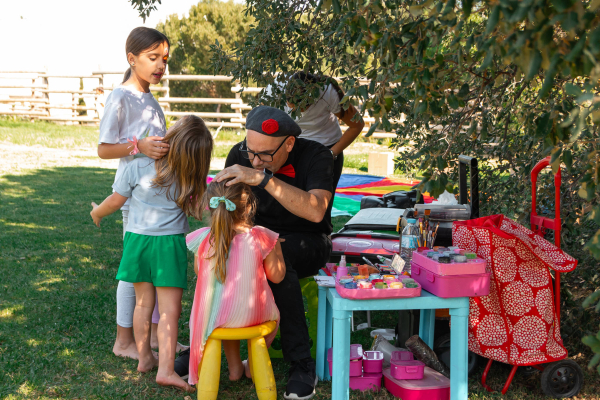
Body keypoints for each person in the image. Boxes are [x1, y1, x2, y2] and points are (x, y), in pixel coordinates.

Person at [217, 106, 333, 399]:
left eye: (265, 155)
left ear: (289, 143)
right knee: (218, 256)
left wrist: (264, 179)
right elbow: (225, 207)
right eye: (250, 151)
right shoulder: (240, 154)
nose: (255, 161)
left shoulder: (317, 155)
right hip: (253, 238)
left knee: (277, 255)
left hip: (308, 240)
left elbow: (316, 212)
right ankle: (202, 347)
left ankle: (301, 362)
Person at [90, 115, 213, 392]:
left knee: (143, 305)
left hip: (136, 243)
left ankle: (145, 357)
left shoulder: (137, 166)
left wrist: (97, 211)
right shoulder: (188, 178)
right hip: (167, 246)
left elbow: (114, 201)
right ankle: (167, 370)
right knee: (169, 312)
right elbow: (198, 211)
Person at [97, 27, 177, 360]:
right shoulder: (120, 96)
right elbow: (103, 149)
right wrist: (138, 145)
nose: (160, 65)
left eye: (165, 59)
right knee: (134, 273)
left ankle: (156, 338)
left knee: (152, 271)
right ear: (132, 59)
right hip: (134, 199)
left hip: (157, 199)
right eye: (153, 57)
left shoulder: (151, 100)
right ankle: (123, 341)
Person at [185, 179, 285, 386]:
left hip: (213, 319)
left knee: (224, 307)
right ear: (248, 206)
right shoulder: (260, 237)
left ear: (210, 207)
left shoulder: (204, 238)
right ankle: (251, 363)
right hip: (255, 315)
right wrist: (277, 250)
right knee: (273, 316)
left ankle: (234, 366)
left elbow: (199, 271)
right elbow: (277, 276)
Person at [268, 71, 365, 191]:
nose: (296, 111)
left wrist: (330, 154)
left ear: (314, 98)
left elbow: (357, 125)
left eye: (302, 107)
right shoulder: (275, 88)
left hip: (325, 147)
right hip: (291, 149)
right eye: (291, 104)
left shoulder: (327, 92)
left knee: (321, 205)